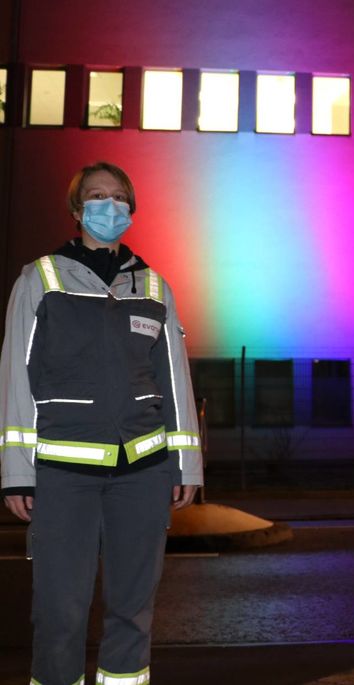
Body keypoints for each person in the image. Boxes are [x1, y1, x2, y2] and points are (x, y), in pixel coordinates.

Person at [0, 161, 204, 685]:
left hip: (144, 474)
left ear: (131, 211)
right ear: (76, 209)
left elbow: (175, 381)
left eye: (118, 198)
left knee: (133, 612)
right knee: (60, 614)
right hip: (63, 475)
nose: (108, 206)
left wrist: (186, 465)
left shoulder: (154, 287)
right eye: (96, 196)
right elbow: (15, 379)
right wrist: (17, 472)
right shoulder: (40, 279)